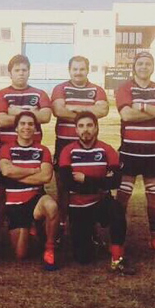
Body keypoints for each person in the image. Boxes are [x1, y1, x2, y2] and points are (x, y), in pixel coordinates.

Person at [57, 112, 134, 274]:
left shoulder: (106, 150)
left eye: (90, 125)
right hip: (78, 206)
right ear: (76, 130)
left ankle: (117, 258)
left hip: (101, 203)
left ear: (96, 128)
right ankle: (91, 236)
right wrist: (101, 183)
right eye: (81, 126)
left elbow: (115, 182)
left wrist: (85, 179)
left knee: (116, 209)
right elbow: (68, 183)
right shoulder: (67, 151)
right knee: (83, 259)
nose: (86, 130)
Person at [115, 52, 155, 253]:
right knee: (123, 195)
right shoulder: (125, 88)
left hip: (153, 152)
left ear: (153, 66)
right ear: (134, 66)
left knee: (154, 195)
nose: (143, 67)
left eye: (148, 63)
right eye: (140, 63)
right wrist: (154, 110)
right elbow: (126, 114)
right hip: (130, 150)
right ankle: (118, 238)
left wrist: (140, 106)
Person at [0, 54, 52, 243]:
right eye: (17, 70)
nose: (21, 74)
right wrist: (31, 113)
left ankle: (36, 228)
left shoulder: (39, 93)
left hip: (33, 153)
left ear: (29, 71)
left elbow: (46, 116)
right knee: (3, 194)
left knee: (35, 190)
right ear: (10, 72)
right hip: (7, 153)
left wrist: (14, 112)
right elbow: (1, 120)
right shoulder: (1, 94)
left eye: (24, 70)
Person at [50, 56, 108, 227]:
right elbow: (59, 110)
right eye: (75, 69)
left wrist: (74, 109)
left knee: (90, 185)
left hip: (89, 147)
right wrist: (89, 112)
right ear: (69, 70)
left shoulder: (97, 89)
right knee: (63, 186)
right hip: (64, 145)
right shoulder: (60, 88)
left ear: (87, 70)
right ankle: (62, 223)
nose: (78, 72)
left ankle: (91, 228)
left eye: (82, 69)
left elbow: (103, 109)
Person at [0, 111, 58, 270]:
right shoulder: (6, 149)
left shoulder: (42, 150)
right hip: (14, 203)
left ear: (35, 129)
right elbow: (6, 172)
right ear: (16, 128)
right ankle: (33, 228)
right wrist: (32, 170)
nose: (26, 127)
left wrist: (16, 173)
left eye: (30, 124)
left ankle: (50, 249)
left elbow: (45, 177)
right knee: (20, 255)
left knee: (51, 205)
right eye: (22, 124)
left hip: (36, 198)